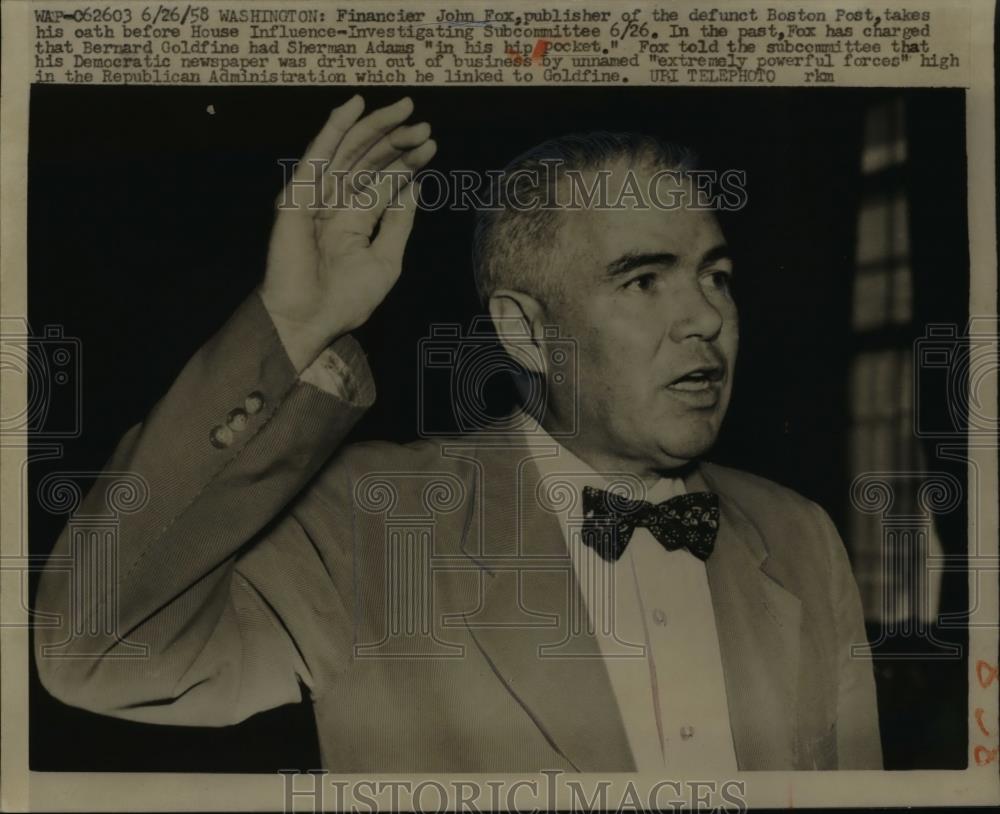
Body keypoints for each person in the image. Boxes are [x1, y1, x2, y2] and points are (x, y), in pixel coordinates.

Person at [35, 95, 882, 773]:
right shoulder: (377, 521)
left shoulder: (799, 536)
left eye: (717, 276)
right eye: (644, 280)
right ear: (523, 333)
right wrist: (294, 323)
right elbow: (94, 650)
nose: (707, 316)